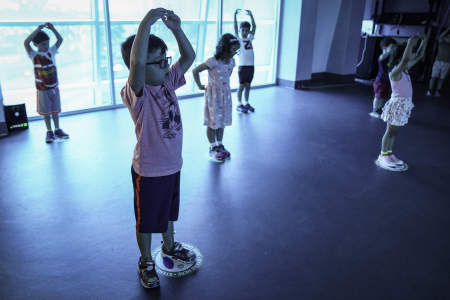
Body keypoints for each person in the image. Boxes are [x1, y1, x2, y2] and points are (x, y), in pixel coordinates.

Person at [120, 8, 196, 289]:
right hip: (149, 171)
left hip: (173, 165)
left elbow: (189, 57)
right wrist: (146, 23)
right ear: (138, 68)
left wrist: (176, 29)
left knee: (166, 212)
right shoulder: (137, 93)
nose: (167, 66)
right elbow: (138, 62)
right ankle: (145, 261)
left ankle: (169, 246)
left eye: (166, 60)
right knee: (146, 219)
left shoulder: (168, 82)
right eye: (160, 62)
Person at [376, 35, 428, 170]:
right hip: (397, 105)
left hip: (403, 105)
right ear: (396, 63)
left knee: (394, 132)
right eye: (402, 62)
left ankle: (389, 153)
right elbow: (405, 59)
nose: (407, 62)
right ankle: (383, 155)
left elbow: (418, 56)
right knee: (389, 131)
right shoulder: (394, 72)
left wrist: (424, 41)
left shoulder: (404, 70)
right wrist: (410, 43)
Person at [192, 34, 240, 162]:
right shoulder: (212, 61)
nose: (235, 53)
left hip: (225, 95)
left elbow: (227, 76)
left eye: (237, 50)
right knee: (213, 121)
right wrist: (200, 85)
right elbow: (195, 71)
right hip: (213, 96)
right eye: (233, 50)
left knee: (222, 121)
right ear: (225, 48)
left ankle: (220, 144)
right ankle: (212, 146)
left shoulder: (232, 62)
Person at [24, 23, 69, 143]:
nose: (46, 46)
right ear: (36, 45)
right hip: (42, 89)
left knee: (55, 109)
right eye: (43, 44)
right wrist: (37, 29)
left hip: (54, 87)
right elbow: (26, 42)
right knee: (46, 111)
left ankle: (57, 129)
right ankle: (49, 131)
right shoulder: (34, 55)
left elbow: (60, 40)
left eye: (47, 43)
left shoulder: (52, 51)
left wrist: (53, 28)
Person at [234, 9, 256, 113]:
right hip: (242, 66)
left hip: (251, 66)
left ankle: (246, 102)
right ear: (240, 30)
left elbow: (254, 27)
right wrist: (235, 15)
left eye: (247, 30)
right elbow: (234, 27)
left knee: (248, 86)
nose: (245, 32)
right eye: (243, 30)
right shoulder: (238, 39)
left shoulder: (250, 38)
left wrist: (251, 15)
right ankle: (239, 104)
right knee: (241, 86)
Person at [369, 38, 397, 118]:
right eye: (392, 47)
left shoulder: (389, 57)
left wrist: (391, 55)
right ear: (384, 48)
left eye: (394, 47)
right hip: (380, 81)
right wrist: (388, 52)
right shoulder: (382, 57)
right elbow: (382, 57)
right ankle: (374, 110)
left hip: (386, 81)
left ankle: (379, 109)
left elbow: (389, 66)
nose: (394, 49)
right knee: (378, 96)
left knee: (383, 97)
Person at [427, 27, 450, 97]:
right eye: (448, 36)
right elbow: (440, 37)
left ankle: (437, 91)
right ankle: (430, 91)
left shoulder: (445, 41)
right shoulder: (441, 41)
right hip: (438, 61)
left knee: (441, 78)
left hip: (447, 62)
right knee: (433, 77)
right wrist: (447, 30)